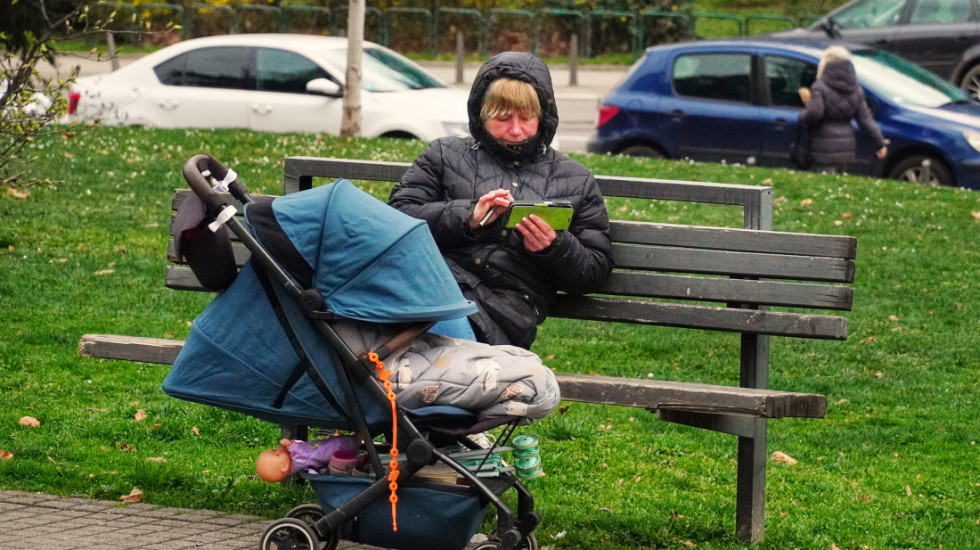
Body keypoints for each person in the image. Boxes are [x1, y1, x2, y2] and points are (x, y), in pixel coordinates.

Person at [388, 52, 613, 349]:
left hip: (506, 311)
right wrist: (468, 217)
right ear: (482, 114)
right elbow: (397, 219)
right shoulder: (444, 155)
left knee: (428, 345)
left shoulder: (576, 179)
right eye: (503, 118)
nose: (516, 130)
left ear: (542, 117)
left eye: (526, 118)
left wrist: (553, 248)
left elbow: (593, 272)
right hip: (436, 286)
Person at [798, 45, 887, 174]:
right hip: (846, 148)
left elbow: (814, 112)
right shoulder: (856, 89)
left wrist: (803, 116)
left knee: (822, 184)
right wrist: (880, 144)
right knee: (838, 183)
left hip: (823, 146)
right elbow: (866, 120)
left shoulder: (820, 86)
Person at [255, 435, 360, 482]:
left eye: (274, 450)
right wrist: (290, 445)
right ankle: (358, 438)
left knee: (338, 442)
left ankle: (358, 438)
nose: (278, 450)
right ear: (284, 467)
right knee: (340, 443)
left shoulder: (293, 462)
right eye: (276, 454)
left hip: (324, 448)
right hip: (329, 450)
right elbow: (300, 454)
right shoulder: (298, 462)